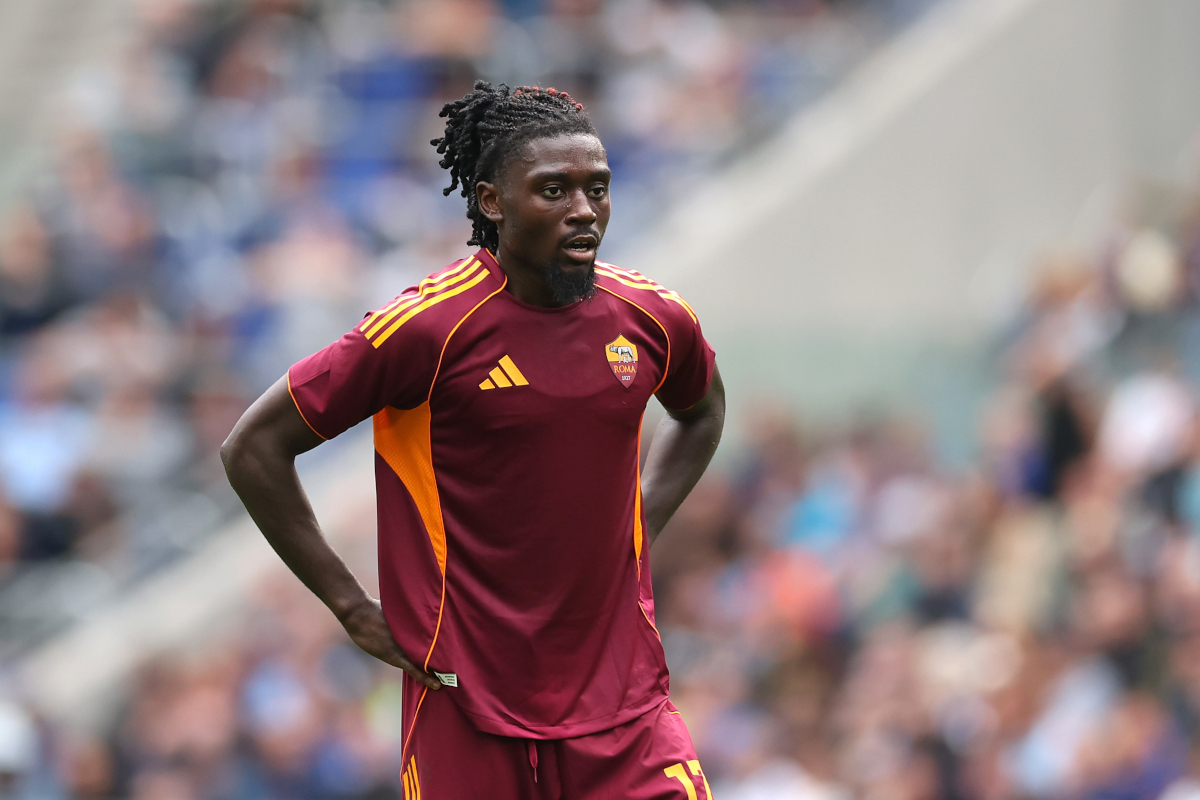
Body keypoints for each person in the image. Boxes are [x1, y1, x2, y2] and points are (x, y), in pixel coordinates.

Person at [222, 80, 724, 799]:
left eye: (597, 189)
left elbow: (702, 410)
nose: (584, 211)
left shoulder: (650, 317)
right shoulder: (427, 328)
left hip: (625, 704)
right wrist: (350, 606)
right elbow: (253, 449)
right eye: (554, 190)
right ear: (492, 201)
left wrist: (642, 515)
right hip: (466, 701)